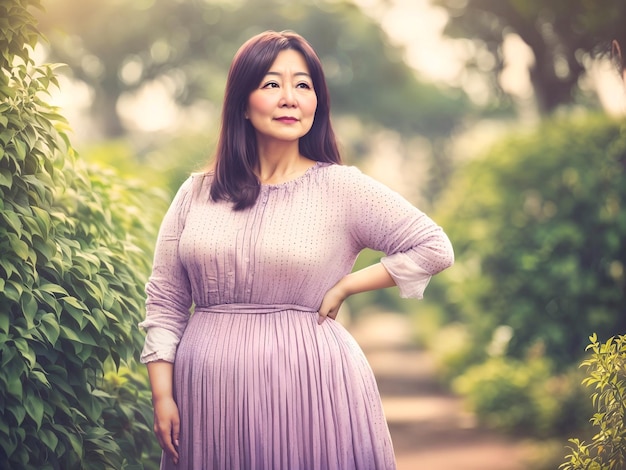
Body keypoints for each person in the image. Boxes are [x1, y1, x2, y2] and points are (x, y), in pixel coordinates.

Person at [139, 30, 454, 470]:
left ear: (316, 104)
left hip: (310, 386)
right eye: (272, 84)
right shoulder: (197, 193)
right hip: (205, 394)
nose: (290, 98)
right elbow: (166, 303)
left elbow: (433, 246)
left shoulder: (342, 188)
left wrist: (347, 285)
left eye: (302, 85)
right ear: (242, 104)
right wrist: (162, 395)